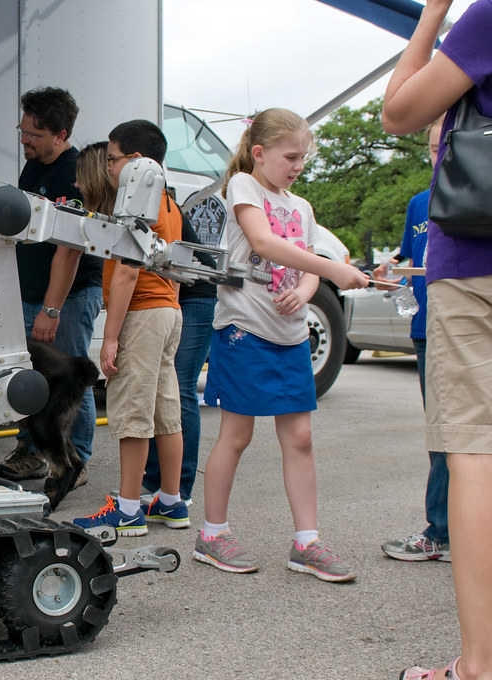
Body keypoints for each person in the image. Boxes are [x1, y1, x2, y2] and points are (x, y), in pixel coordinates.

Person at [193, 108, 368, 582]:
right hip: (244, 329)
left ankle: (307, 542)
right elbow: (264, 243)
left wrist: (308, 290)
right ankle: (212, 534)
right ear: (259, 152)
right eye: (291, 156)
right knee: (237, 434)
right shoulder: (243, 187)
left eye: (303, 158)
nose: (298, 165)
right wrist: (335, 271)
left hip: (290, 336)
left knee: (300, 438)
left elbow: (306, 265)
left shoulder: (303, 207)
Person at [382, 0, 492, 677]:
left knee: (475, 455)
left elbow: (399, 110)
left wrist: (434, 13)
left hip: (477, 264)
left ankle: (478, 665)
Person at [71, 122, 188, 535]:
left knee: (131, 413)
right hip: (168, 311)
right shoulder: (169, 202)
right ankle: (170, 502)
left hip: (142, 313)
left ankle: (126, 509)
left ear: (136, 161)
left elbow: (126, 271)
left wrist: (111, 337)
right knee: (165, 413)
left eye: (112, 159)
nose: (109, 168)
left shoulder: (137, 198)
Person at [0, 87, 101, 489]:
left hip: (69, 296)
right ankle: (33, 452)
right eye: (22, 131)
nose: (25, 141)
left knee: (70, 377)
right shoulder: (33, 166)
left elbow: (69, 250)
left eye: (33, 135)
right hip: (31, 292)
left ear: (60, 134)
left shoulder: (76, 175)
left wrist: (50, 310)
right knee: (28, 376)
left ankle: (76, 459)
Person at [378, 116, 450, 564]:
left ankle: (445, 529)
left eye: (447, 145)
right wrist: (391, 273)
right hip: (425, 329)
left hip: (464, 324)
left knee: (462, 430)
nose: (440, 155)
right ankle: (442, 528)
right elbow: (407, 259)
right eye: (433, 147)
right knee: (441, 431)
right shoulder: (419, 203)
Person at [144, 213, 217, 505]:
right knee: (158, 387)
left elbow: (173, 263)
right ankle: (154, 481)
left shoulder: (159, 206)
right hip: (169, 292)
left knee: (179, 386)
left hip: (194, 293)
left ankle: (179, 490)